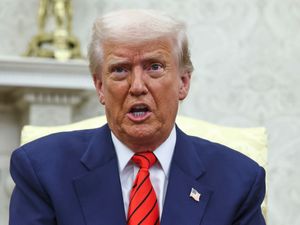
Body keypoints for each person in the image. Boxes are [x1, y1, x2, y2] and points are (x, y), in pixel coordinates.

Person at [9, 9, 266, 225]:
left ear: (183, 83)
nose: (137, 86)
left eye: (154, 67)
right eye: (120, 70)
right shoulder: (42, 170)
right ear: (100, 87)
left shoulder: (238, 181)